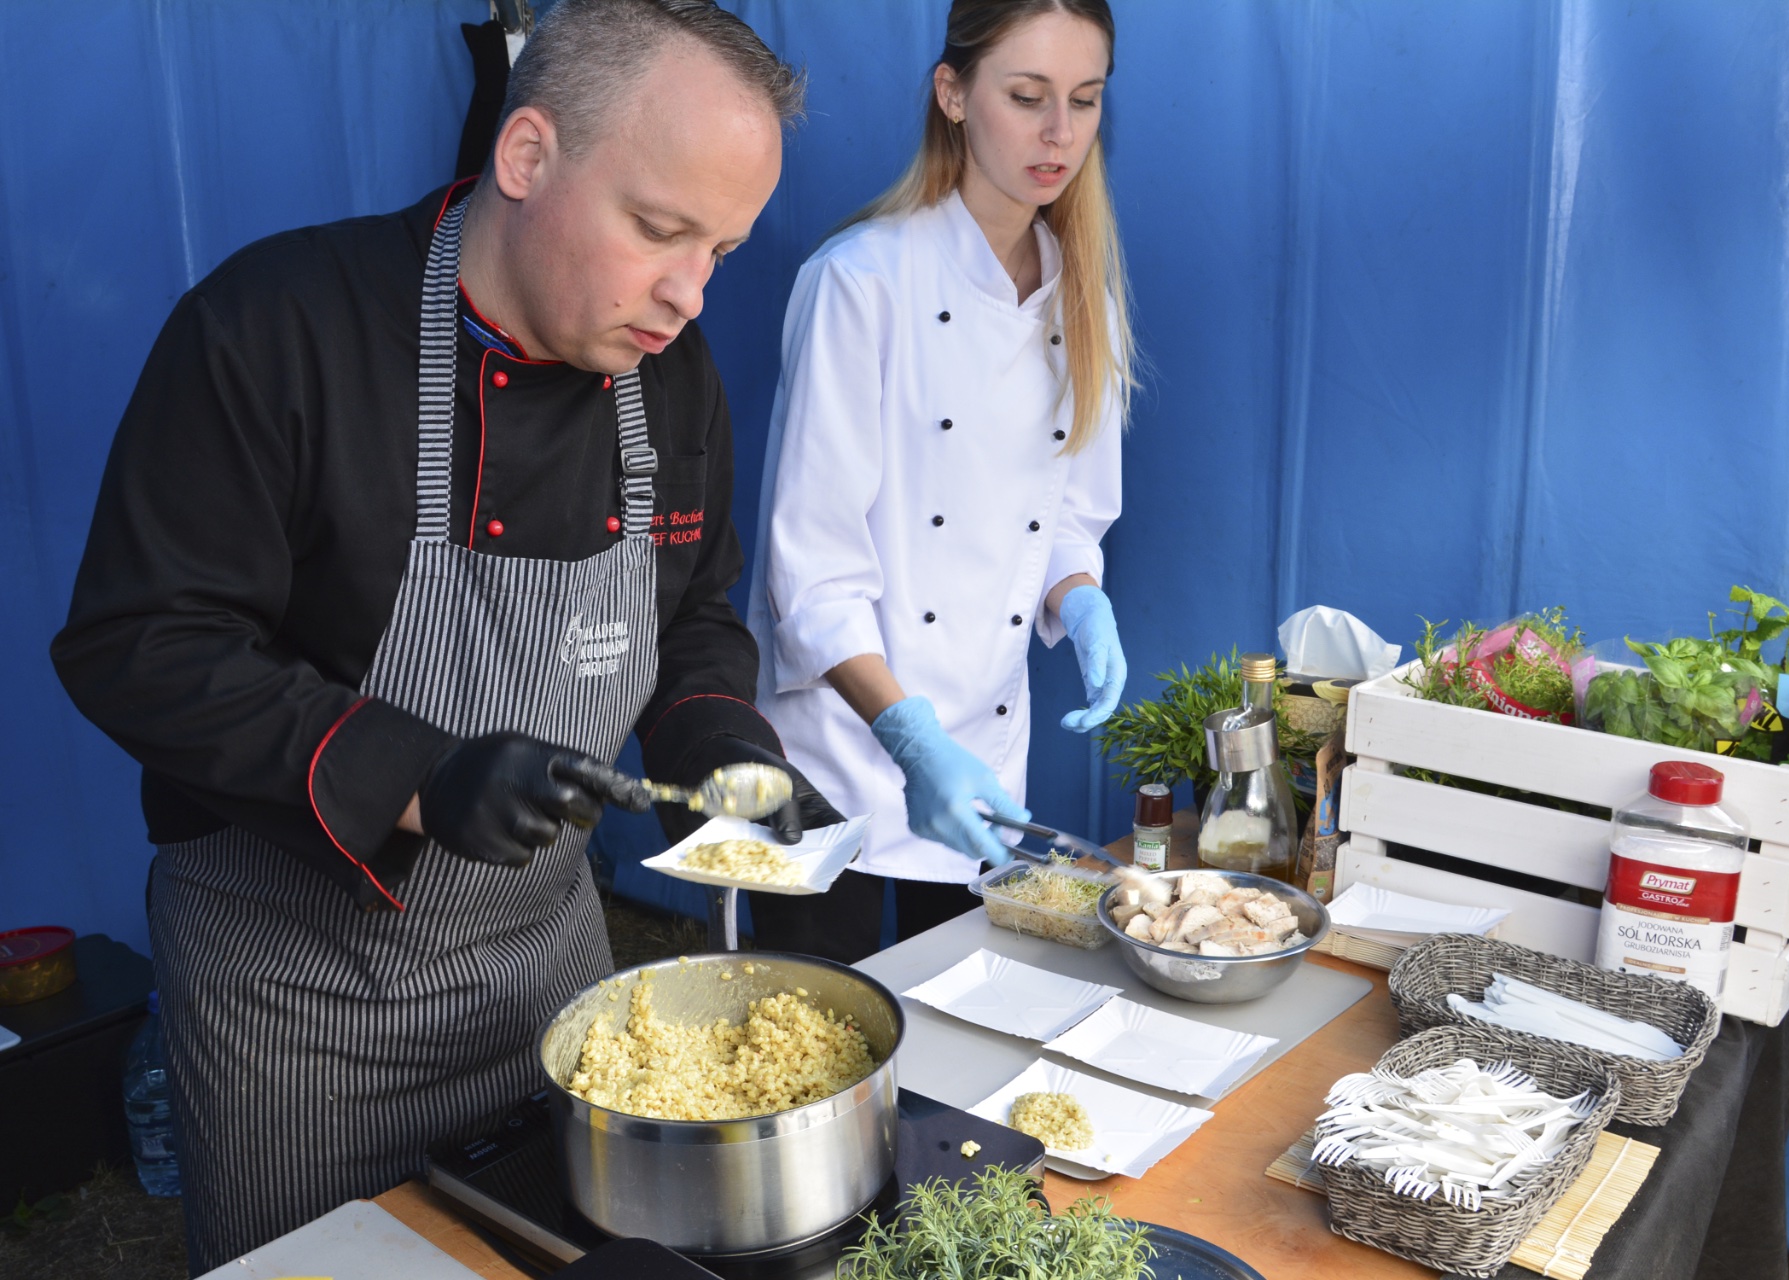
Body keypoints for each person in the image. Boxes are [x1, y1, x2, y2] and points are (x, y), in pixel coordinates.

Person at [50, 1, 836, 1270]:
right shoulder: (275, 328)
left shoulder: (670, 377)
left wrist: (724, 749)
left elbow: (691, 610)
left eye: (722, 251)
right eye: (659, 229)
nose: (688, 295)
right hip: (297, 1003)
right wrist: (417, 775)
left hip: (550, 973)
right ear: (526, 156)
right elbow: (141, 640)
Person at [745, 0, 1134, 963]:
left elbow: (1065, 519)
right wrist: (912, 742)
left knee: (961, 1024)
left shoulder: (1085, 298)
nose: (1059, 133)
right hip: (836, 740)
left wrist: (1081, 598)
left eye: (1084, 100)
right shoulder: (860, 282)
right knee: (812, 1030)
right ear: (953, 94)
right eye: (1028, 97)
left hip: (980, 748)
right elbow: (812, 574)